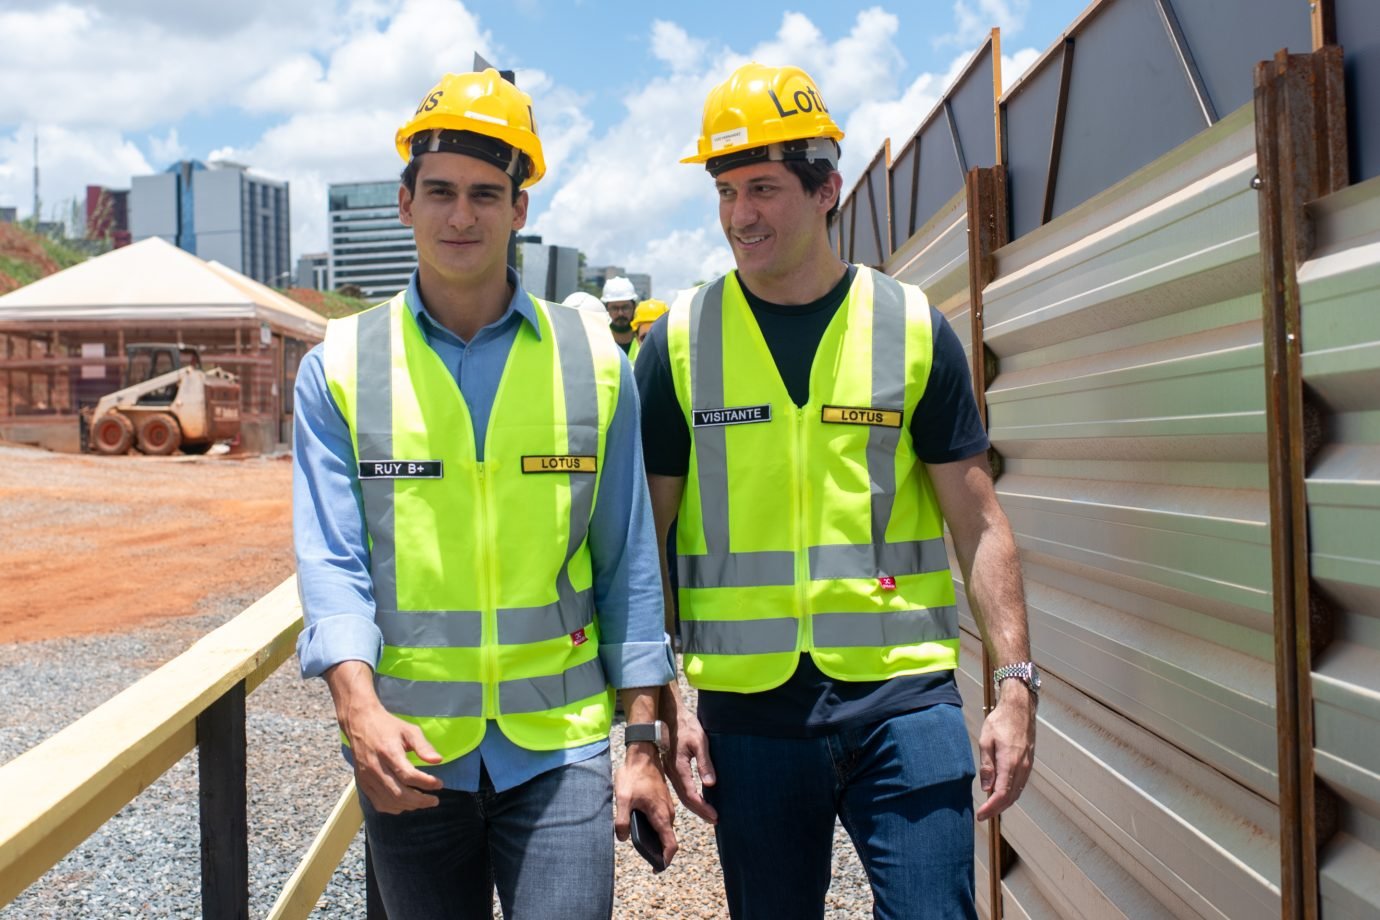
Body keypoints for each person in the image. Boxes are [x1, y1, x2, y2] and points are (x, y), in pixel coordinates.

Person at [635, 62, 1038, 920]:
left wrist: (1015, 685)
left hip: (905, 698)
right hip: (751, 713)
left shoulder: (910, 328)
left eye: (765, 188)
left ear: (827, 188)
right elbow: (646, 546)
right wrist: (661, 701)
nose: (741, 215)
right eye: (727, 190)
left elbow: (981, 524)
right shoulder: (677, 346)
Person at [292, 68, 677, 920]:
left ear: (520, 210)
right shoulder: (341, 368)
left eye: (484, 193)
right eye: (438, 192)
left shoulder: (594, 363)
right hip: (412, 746)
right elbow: (331, 562)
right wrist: (358, 712)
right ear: (404, 204)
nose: (460, 216)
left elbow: (628, 566)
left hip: (561, 744)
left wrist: (643, 740)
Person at [600, 275, 640, 361]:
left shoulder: (643, 342)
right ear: (606, 309)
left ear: (634, 307)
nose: (620, 313)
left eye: (625, 307)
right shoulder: (599, 344)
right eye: (614, 308)